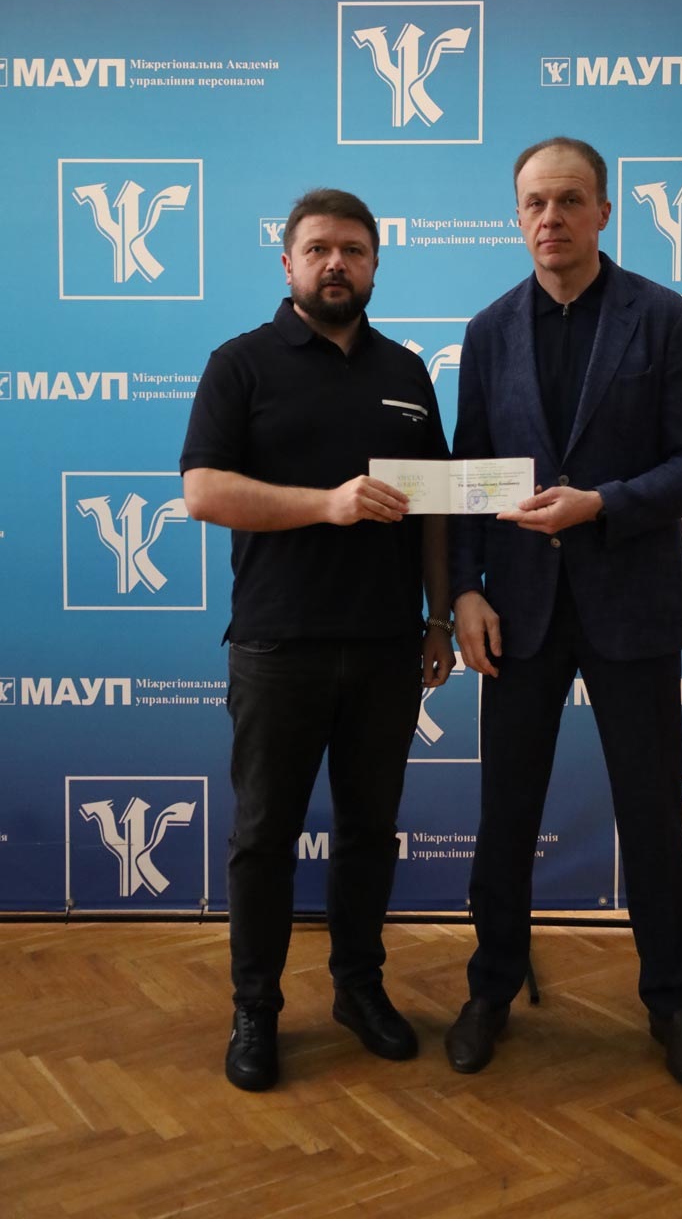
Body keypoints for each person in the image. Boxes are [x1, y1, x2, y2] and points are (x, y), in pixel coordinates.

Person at [446, 137, 682, 1088]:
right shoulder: (488, 332)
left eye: (570, 199)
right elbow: (467, 479)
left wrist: (601, 504)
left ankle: (671, 1004)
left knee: (649, 813)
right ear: (515, 216)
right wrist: (463, 591)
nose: (551, 217)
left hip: (630, 607)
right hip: (517, 611)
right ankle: (490, 989)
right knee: (504, 813)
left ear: (605, 212)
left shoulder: (665, 317)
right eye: (534, 202)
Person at [180, 188, 454, 1092]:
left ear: (374, 264)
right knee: (264, 837)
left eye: (353, 250)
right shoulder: (240, 364)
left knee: (370, 832)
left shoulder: (406, 371)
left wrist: (438, 617)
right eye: (318, 249)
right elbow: (203, 492)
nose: (336, 263)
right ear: (288, 263)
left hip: (386, 647)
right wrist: (325, 505)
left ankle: (357, 990)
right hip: (277, 645)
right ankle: (254, 1009)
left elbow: (433, 508)